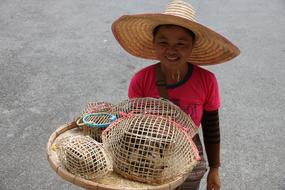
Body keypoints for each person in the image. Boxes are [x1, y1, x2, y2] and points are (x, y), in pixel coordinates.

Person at [111, 0, 240, 189]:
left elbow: (211, 127)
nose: (171, 49)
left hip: (189, 151)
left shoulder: (207, 80)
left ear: (192, 46)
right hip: (149, 151)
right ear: (153, 44)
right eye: (163, 42)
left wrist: (214, 169)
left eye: (181, 43)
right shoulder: (141, 80)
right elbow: (132, 125)